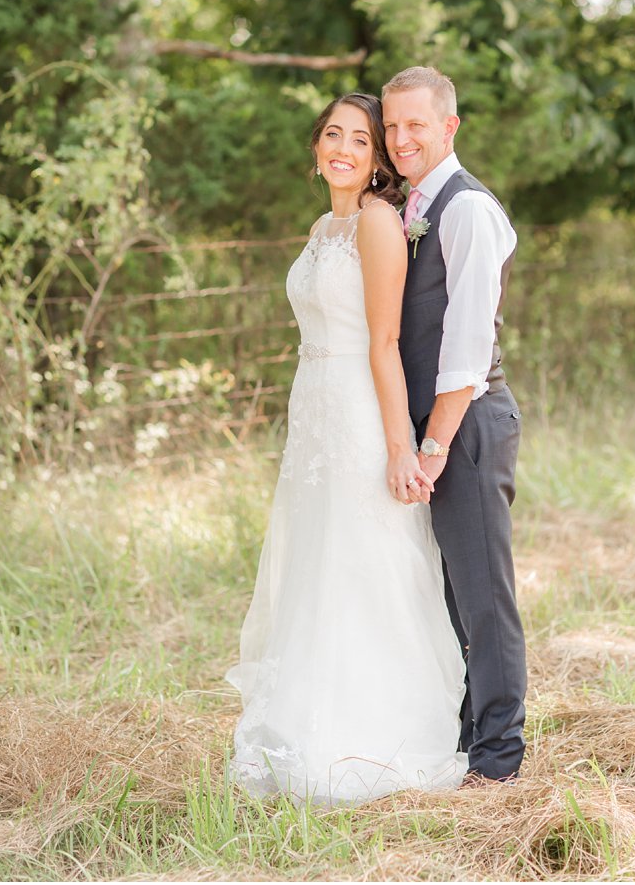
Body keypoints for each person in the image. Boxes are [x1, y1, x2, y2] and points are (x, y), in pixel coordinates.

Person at [226, 91, 469, 805]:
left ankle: (369, 732)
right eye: (333, 134)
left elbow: (385, 342)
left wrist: (402, 447)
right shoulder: (321, 224)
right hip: (314, 412)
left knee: (365, 564)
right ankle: (305, 720)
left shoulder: (376, 223)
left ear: (377, 159)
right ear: (316, 147)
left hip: (362, 413)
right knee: (314, 560)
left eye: (361, 140)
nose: (343, 148)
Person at [382, 65, 525, 783]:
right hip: (437, 430)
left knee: (483, 597)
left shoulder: (466, 210)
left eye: (416, 124)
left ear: (449, 126)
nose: (401, 138)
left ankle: (499, 760)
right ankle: (470, 740)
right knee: (452, 597)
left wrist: (433, 446)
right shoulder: (416, 207)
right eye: (392, 125)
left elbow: (466, 351)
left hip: (465, 427)